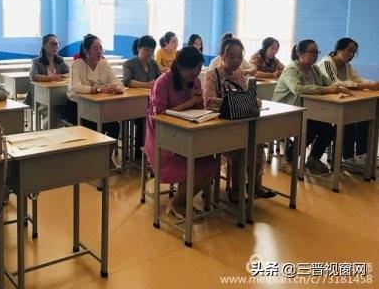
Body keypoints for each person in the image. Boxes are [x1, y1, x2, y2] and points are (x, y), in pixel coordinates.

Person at [145, 46, 217, 218]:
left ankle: (181, 199)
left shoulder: (196, 81)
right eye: (191, 68)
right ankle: (178, 202)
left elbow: (198, 108)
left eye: (198, 67)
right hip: (162, 139)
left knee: (211, 164)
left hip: (188, 134)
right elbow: (159, 115)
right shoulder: (163, 82)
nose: (195, 72)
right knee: (194, 168)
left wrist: (199, 103)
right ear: (179, 66)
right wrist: (191, 101)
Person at [203, 37, 273, 202]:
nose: (236, 60)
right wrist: (234, 100)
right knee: (240, 150)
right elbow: (208, 101)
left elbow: (248, 96)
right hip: (219, 127)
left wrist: (250, 100)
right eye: (231, 56)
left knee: (257, 144)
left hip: (239, 124)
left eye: (240, 56)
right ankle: (236, 190)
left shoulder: (239, 74)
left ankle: (254, 185)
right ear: (222, 55)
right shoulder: (212, 74)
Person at [273, 39, 351, 175]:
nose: (315, 55)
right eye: (312, 52)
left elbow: (329, 83)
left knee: (329, 129)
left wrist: (340, 87)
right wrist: (327, 90)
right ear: (300, 53)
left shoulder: (314, 69)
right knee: (310, 126)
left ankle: (313, 158)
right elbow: (297, 89)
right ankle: (288, 161)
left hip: (306, 110)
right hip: (286, 110)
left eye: (317, 52)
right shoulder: (291, 69)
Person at [318, 37, 379, 167]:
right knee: (350, 119)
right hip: (325, 105)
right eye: (349, 50)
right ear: (338, 49)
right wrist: (366, 86)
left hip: (342, 102)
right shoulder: (326, 63)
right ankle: (348, 156)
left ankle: (362, 154)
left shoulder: (347, 66)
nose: (351, 55)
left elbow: (358, 79)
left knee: (365, 117)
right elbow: (336, 83)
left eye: (354, 52)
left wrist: (372, 84)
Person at [67, 34, 123, 167]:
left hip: (99, 106)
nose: (99, 51)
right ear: (86, 51)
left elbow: (117, 82)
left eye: (100, 48)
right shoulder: (77, 64)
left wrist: (115, 88)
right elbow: (76, 87)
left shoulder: (104, 63)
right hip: (77, 106)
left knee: (114, 126)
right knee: (93, 126)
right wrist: (98, 90)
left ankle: (107, 158)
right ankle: (92, 161)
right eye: (95, 49)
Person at [122, 35, 161, 159]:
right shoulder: (129, 64)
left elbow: (160, 79)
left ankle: (153, 153)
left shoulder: (153, 63)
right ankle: (140, 156)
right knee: (143, 121)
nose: (149, 53)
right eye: (146, 50)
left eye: (151, 50)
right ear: (139, 48)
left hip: (151, 101)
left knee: (158, 120)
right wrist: (147, 85)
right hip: (133, 103)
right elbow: (127, 81)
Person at [26, 34, 69, 128]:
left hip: (59, 96)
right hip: (42, 97)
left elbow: (69, 73)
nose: (55, 47)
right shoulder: (37, 62)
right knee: (55, 112)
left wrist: (62, 76)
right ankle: (49, 128)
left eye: (56, 44)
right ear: (44, 46)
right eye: (52, 44)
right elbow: (33, 76)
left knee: (70, 108)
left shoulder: (60, 60)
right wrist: (51, 78)